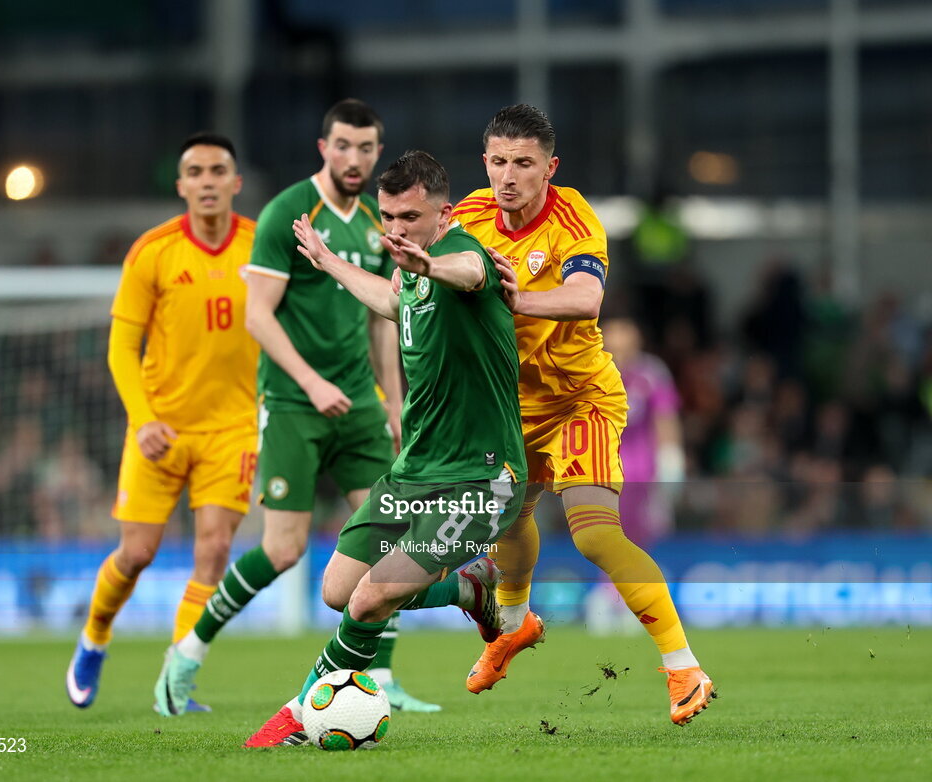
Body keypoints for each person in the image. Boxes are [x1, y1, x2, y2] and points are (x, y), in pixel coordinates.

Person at [155, 100, 435, 715]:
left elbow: (382, 321)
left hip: (360, 402)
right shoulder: (288, 212)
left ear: (376, 152)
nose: (355, 159)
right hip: (291, 402)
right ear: (323, 147)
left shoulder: (372, 222)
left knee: (389, 539)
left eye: (366, 148)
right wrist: (309, 383)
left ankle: (381, 681)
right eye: (343, 146)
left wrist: (393, 402)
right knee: (284, 549)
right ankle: (188, 652)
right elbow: (257, 315)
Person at [243, 149, 528, 747]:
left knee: (371, 598)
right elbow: (392, 299)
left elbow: (471, 275)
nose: (396, 230)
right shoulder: (413, 276)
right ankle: (469, 587)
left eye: (410, 218)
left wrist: (428, 263)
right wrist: (326, 262)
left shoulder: (461, 254)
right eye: (388, 217)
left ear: (443, 215)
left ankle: (299, 712)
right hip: (415, 472)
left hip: (481, 476)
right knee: (338, 591)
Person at [453, 105, 715, 725]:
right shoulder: (464, 218)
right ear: (484, 161)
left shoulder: (572, 216)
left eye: (523, 163)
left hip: (581, 399)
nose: (508, 176)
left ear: (550, 167)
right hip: (507, 407)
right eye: (498, 161)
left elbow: (586, 296)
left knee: (595, 532)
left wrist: (516, 296)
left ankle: (684, 668)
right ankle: (512, 627)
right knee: (510, 526)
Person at [66, 132, 259, 711]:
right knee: (137, 554)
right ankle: (95, 634)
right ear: (181, 186)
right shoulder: (152, 251)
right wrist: (143, 418)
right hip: (161, 427)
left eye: (217, 170)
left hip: (233, 428)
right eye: (195, 171)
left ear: (235, 182)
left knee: (214, 550)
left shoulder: (261, 246)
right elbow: (122, 347)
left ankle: (175, 679)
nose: (206, 180)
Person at [601, 317, 685, 549]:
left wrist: (671, 459)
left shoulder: (652, 372)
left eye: (625, 350)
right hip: (600, 470)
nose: (620, 358)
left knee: (644, 534)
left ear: (637, 346)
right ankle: (608, 584)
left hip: (642, 472)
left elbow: (665, 417)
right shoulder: (589, 373)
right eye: (613, 350)